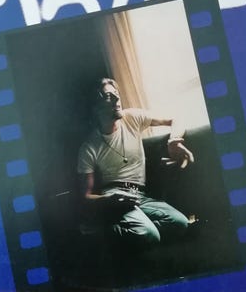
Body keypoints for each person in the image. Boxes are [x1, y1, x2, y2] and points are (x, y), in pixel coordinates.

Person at [77, 77, 194, 250]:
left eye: (116, 94)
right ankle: (99, 233)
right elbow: (85, 196)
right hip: (114, 195)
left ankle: (135, 231)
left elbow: (175, 119)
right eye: (108, 96)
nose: (117, 99)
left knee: (180, 223)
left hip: (140, 195)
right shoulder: (89, 147)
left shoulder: (132, 117)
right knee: (149, 235)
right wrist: (110, 200)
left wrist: (173, 141)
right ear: (95, 107)